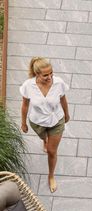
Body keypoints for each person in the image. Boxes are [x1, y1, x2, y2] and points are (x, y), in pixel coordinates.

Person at [20, 57, 70, 193]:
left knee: (51, 151)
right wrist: (23, 123)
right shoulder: (28, 86)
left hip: (56, 121)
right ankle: (44, 140)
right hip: (37, 122)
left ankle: (51, 175)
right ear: (37, 74)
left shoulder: (58, 83)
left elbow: (63, 100)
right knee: (44, 138)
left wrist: (67, 114)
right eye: (45, 75)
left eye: (51, 73)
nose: (50, 77)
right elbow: (25, 105)